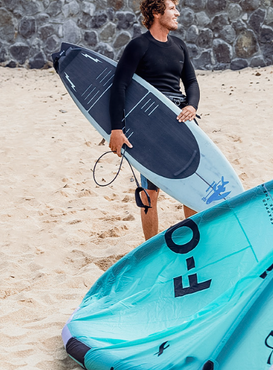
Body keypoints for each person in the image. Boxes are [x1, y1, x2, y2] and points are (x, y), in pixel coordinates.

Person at [108, 0, 199, 240]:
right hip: (151, 125)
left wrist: (192, 105)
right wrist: (116, 129)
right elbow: (119, 86)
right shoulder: (138, 46)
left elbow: (190, 82)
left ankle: (194, 242)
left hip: (180, 121)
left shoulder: (179, 46)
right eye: (172, 8)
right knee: (150, 191)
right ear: (157, 13)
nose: (177, 13)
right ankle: (151, 246)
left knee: (191, 185)